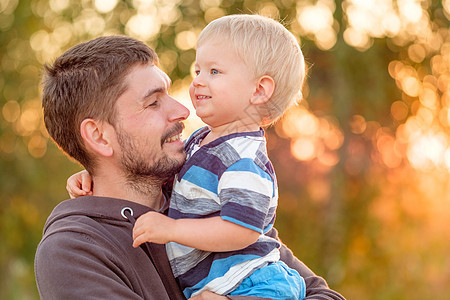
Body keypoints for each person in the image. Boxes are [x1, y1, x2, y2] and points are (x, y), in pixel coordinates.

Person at [38, 34, 344, 300]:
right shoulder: (73, 251)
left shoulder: (207, 201)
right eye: (153, 102)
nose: (183, 111)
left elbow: (326, 296)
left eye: (169, 93)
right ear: (99, 137)